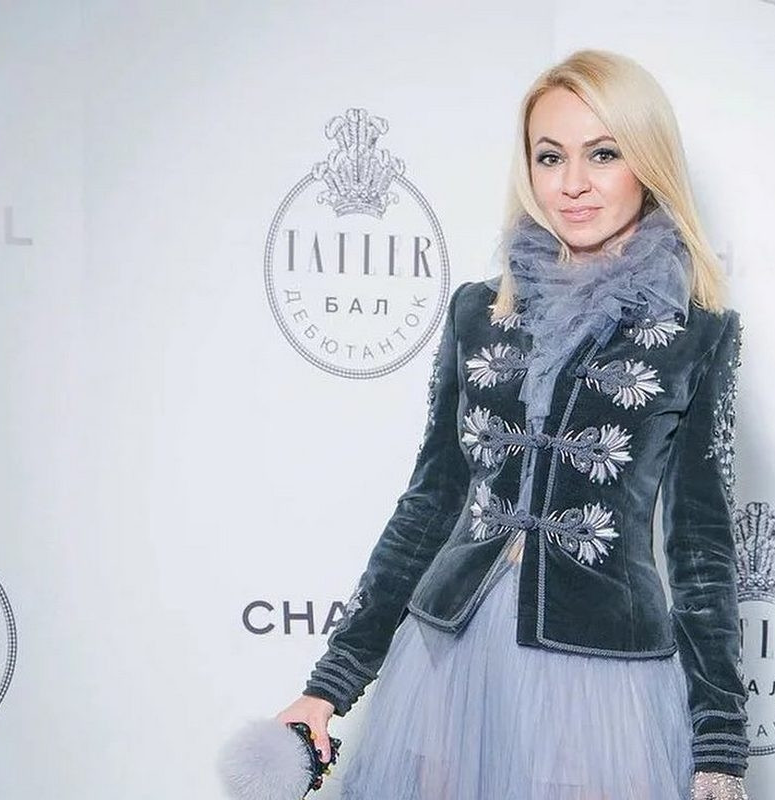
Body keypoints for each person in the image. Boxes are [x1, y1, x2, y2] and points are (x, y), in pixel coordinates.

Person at [276, 49, 750, 800]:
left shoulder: (699, 332)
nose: (572, 183)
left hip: (605, 676)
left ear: (648, 161)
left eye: (603, 153)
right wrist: (329, 685)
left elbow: (701, 547)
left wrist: (719, 743)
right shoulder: (477, 312)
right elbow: (429, 505)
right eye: (549, 156)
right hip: (450, 661)